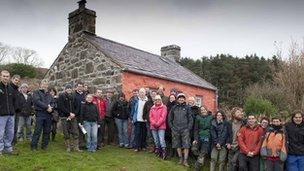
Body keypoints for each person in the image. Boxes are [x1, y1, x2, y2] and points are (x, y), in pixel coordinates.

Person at [168, 93, 193, 167]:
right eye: (179, 98)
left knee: (186, 145)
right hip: (175, 129)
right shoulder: (174, 108)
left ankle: (185, 160)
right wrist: (172, 127)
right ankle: (180, 158)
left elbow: (190, 119)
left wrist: (188, 129)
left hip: (185, 130)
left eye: (182, 98)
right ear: (177, 99)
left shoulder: (188, 108)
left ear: (184, 99)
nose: (181, 99)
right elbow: (170, 119)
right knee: (177, 144)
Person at [31, 79, 54, 151]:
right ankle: (34, 146)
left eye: (46, 84)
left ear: (47, 85)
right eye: (43, 84)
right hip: (40, 114)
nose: (45, 85)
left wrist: (51, 108)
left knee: (47, 131)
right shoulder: (36, 92)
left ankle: (44, 146)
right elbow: (37, 101)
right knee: (38, 130)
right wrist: (47, 107)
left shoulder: (49, 94)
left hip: (48, 115)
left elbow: (53, 103)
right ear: (41, 84)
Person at [57, 84, 81, 152]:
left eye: (70, 88)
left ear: (72, 89)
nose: (69, 89)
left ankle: (76, 147)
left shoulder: (74, 97)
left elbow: (78, 106)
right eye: (67, 88)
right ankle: (68, 147)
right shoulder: (61, 96)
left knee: (75, 131)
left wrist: (74, 114)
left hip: (73, 117)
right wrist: (69, 113)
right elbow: (61, 106)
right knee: (66, 132)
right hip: (64, 117)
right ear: (65, 89)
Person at [0, 70, 18, 155]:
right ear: (1, 76)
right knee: (0, 133)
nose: (5, 78)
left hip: (11, 114)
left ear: (9, 78)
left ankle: (7, 147)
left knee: (10, 132)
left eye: (7, 76)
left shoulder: (11, 88)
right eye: (4, 76)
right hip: (1, 115)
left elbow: (14, 101)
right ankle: (0, 149)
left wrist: (13, 110)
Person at [193, 105, 213, 171]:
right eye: (201, 110)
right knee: (194, 149)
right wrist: (195, 139)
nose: (203, 111)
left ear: (206, 110)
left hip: (207, 137)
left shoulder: (211, 117)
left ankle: (197, 168)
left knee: (203, 152)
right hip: (199, 136)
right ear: (200, 111)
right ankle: (200, 160)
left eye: (204, 109)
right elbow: (196, 129)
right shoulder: (197, 117)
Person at [149, 95, 168, 159]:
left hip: (161, 126)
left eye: (159, 99)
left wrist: (158, 124)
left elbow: (163, 117)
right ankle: (159, 151)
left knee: (161, 140)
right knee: (156, 140)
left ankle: (164, 153)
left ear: (161, 100)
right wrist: (154, 123)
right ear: (154, 101)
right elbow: (150, 117)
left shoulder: (164, 107)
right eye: (156, 99)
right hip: (153, 126)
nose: (157, 101)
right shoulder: (152, 108)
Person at [73, 82, 86, 149]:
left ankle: (82, 144)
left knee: (83, 129)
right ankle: (76, 144)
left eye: (81, 86)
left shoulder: (85, 95)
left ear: (83, 87)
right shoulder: (74, 95)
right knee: (76, 130)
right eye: (79, 86)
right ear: (76, 87)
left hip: (83, 115)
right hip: (76, 115)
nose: (80, 87)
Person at [11, 75, 21, 145]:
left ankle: (14, 141)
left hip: (17, 111)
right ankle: (10, 142)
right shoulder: (9, 88)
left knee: (15, 127)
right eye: (16, 80)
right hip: (11, 111)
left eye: (18, 80)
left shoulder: (17, 89)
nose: (17, 81)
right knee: (10, 127)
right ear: (12, 79)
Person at [165, 94, 176, 158]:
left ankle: (172, 153)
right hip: (167, 124)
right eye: (170, 97)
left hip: (173, 124)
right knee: (167, 138)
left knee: (172, 139)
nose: (171, 98)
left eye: (173, 97)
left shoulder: (175, 106)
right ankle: (167, 151)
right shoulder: (167, 105)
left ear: (175, 98)